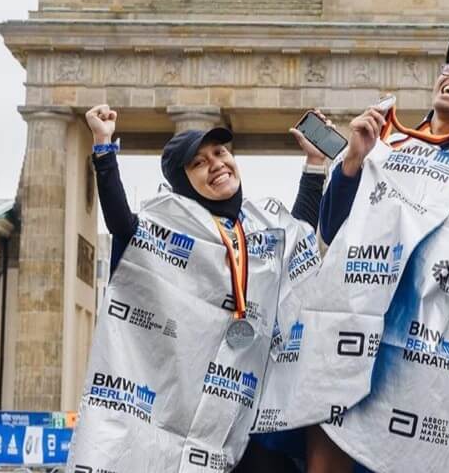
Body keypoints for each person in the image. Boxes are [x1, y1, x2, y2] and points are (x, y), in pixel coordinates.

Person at [252, 33, 449, 473]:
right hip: (347, 340)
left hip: (427, 359)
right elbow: (332, 230)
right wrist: (352, 161)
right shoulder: (385, 147)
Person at [67, 104, 328, 473]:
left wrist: (315, 164)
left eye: (220, 153)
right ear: (183, 182)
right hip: (184, 412)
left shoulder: (262, 226)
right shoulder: (171, 232)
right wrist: (103, 146)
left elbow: (298, 235)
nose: (217, 163)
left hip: (250, 413)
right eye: (199, 163)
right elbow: (124, 227)